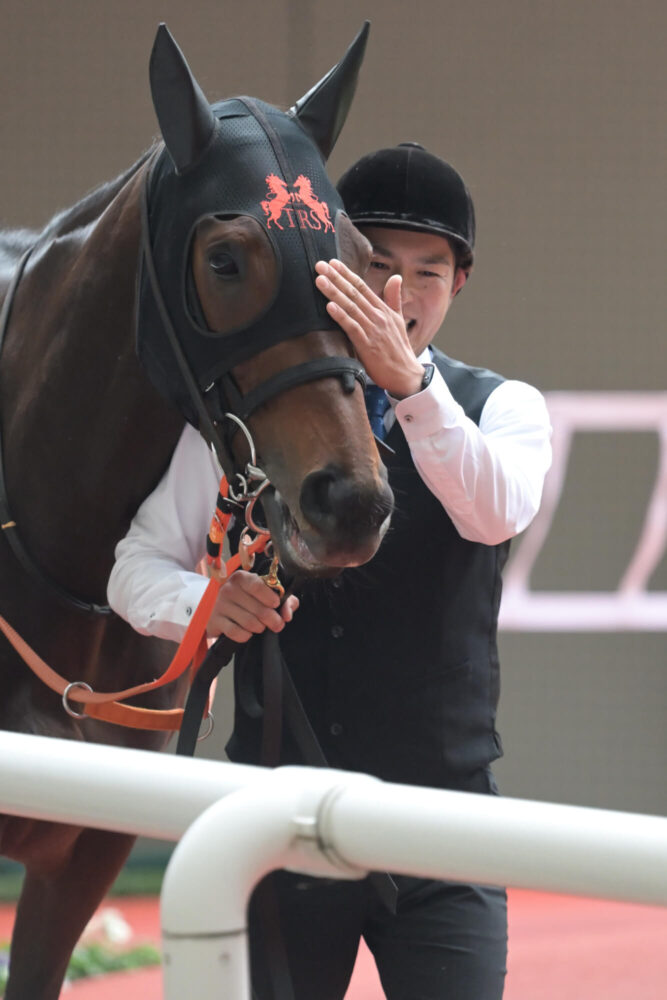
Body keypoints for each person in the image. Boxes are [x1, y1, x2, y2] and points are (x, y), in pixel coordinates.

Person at [108, 142, 552, 1000]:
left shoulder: (503, 405)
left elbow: (492, 512)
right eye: (377, 263)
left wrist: (412, 385)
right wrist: (205, 602)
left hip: (444, 817)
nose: (402, 292)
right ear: (332, 266)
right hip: (278, 816)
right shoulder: (247, 413)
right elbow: (136, 565)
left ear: (459, 285)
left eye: (430, 271)